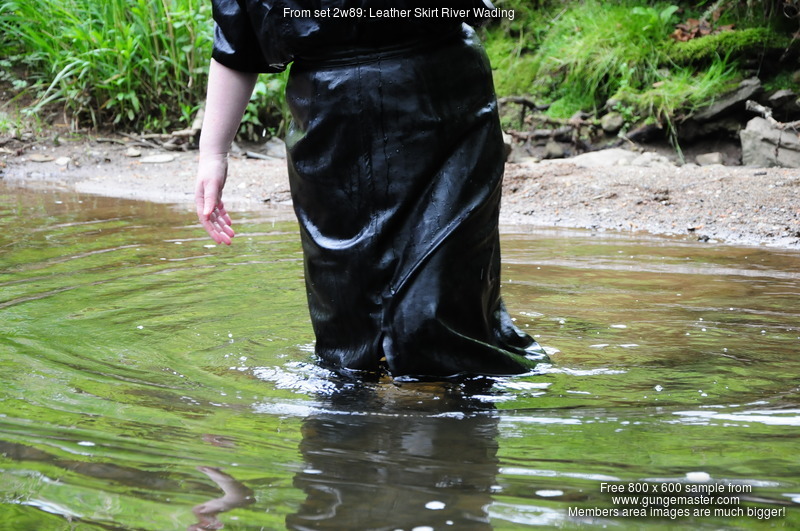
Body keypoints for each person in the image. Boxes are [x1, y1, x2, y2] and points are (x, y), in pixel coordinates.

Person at [195, 1, 548, 379]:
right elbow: (237, 41)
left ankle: (457, 422)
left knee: (436, 312)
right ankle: (353, 430)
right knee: (346, 339)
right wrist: (213, 153)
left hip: (443, 103)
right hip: (329, 127)